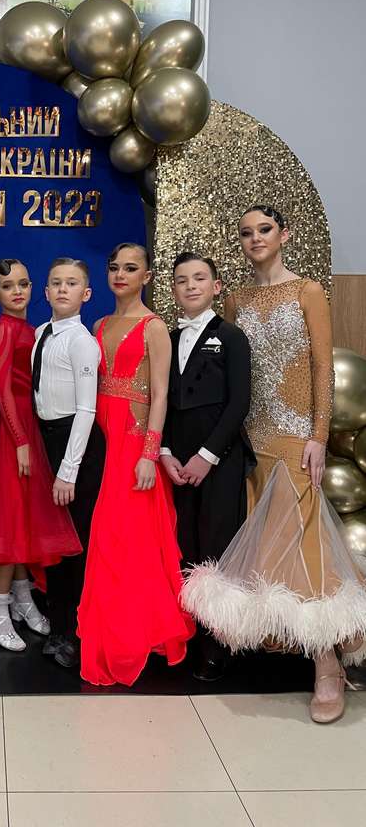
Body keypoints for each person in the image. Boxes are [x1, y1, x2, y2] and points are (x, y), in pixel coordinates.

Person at [182, 206, 366, 723]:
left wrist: (319, 436)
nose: (255, 239)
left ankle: (327, 664)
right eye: (246, 233)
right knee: (271, 544)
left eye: (264, 230)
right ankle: (306, 643)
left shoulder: (308, 291)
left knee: (305, 542)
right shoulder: (236, 300)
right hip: (249, 441)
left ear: (284, 234)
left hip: (295, 438)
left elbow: (323, 367)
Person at [78, 244, 194, 686]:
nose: (120, 274)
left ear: (146, 277)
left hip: (132, 441)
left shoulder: (154, 327)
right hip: (100, 438)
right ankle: (112, 629)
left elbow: (161, 395)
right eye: (114, 267)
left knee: (127, 539)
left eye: (130, 268)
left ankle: (134, 634)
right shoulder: (99, 324)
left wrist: (150, 453)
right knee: (106, 538)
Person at [0, 259, 81, 652]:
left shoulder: (33, 329)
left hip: (31, 429)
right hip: (14, 435)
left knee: (26, 517)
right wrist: (20, 440)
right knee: (9, 519)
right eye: (8, 286)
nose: (17, 291)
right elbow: (0, 390)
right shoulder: (4, 330)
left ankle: (22, 598)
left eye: (24, 284)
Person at [159, 251, 254, 681]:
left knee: (216, 546)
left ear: (215, 287)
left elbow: (239, 404)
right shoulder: (168, 337)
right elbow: (159, 400)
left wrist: (207, 456)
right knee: (184, 545)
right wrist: (165, 452)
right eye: (182, 280)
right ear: (173, 290)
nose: (191, 286)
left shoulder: (231, 337)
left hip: (219, 460)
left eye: (199, 278)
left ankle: (216, 644)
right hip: (177, 462)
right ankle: (187, 632)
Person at [31, 257, 105, 670]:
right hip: (47, 440)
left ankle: (75, 633)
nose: (63, 289)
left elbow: (86, 410)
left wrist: (68, 469)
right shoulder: (41, 333)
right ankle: (57, 625)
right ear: (46, 292)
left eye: (72, 283)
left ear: (86, 294)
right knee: (55, 543)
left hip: (75, 445)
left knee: (76, 543)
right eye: (56, 282)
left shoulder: (82, 342)